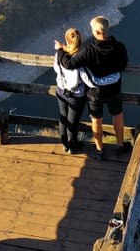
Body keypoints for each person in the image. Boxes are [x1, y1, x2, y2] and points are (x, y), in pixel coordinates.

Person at [58, 15, 130, 160]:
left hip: (95, 92)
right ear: (106, 29)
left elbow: (69, 64)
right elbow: (123, 65)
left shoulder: (89, 51)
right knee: (117, 115)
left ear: (96, 32)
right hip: (114, 89)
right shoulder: (119, 47)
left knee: (96, 120)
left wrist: (60, 51)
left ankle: (99, 150)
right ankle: (121, 145)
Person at [53, 28, 87, 154]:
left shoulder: (59, 54)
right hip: (76, 94)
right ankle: (73, 146)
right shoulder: (80, 57)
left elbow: (56, 69)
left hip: (61, 91)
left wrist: (60, 49)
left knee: (63, 117)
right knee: (73, 121)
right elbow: (84, 77)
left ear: (67, 40)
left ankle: (65, 144)